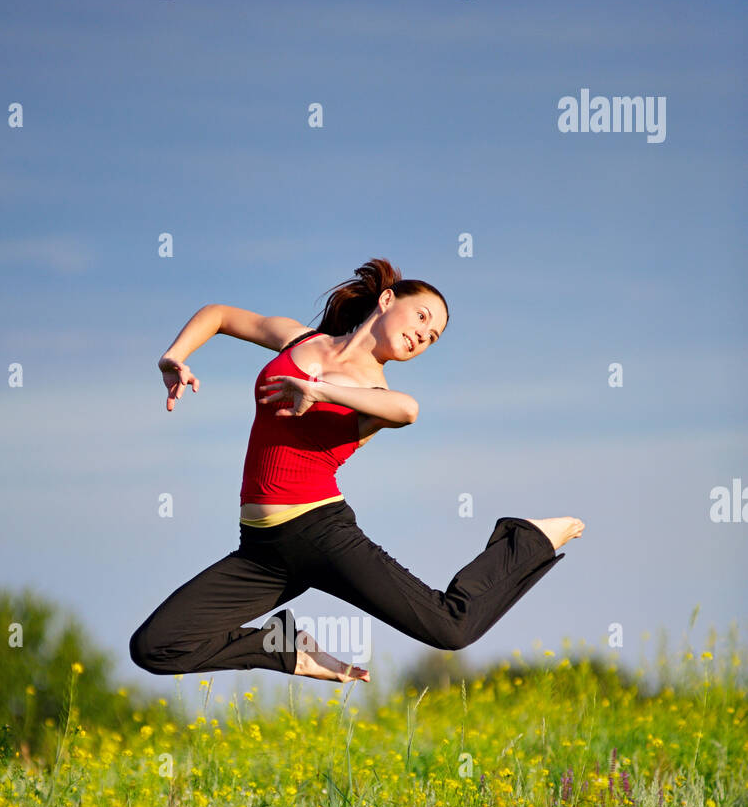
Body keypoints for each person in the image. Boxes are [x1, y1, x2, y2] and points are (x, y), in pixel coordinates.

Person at [129, 258, 584, 683]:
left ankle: (526, 539)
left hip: (320, 534)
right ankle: (283, 649)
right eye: (422, 317)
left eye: (434, 337)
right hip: (262, 550)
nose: (424, 335)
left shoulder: (373, 391)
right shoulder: (300, 340)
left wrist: (322, 391)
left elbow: (407, 409)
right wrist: (174, 356)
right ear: (387, 301)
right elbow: (220, 315)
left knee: (451, 627)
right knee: (155, 647)